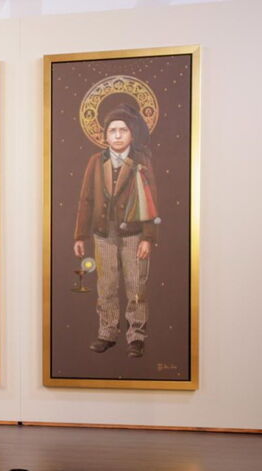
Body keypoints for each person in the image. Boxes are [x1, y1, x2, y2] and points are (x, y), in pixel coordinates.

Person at [73, 103, 159, 358]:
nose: (118, 135)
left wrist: (148, 237)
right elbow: (86, 199)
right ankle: (107, 332)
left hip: (133, 233)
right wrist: (80, 235)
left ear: (132, 134)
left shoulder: (141, 160)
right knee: (107, 285)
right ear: (105, 136)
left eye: (123, 130)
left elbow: (151, 199)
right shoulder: (95, 161)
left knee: (136, 284)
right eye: (113, 131)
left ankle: (136, 336)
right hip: (103, 234)